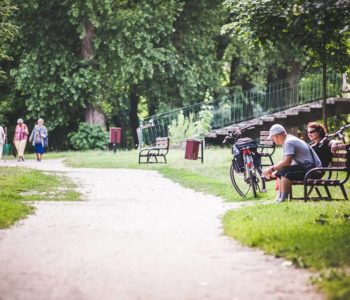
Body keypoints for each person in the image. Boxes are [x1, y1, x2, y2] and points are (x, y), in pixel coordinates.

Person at [262, 124, 321, 203]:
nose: (273, 140)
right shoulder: (288, 140)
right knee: (281, 171)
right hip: (310, 168)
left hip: (314, 171)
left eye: (272, 137)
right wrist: (273, 171)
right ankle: (279, 197)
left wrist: (271, 169)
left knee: (285, 172)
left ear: (277, 136)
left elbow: (287, 162)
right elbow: (285, 162)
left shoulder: (288, 142)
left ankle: (283, 199)